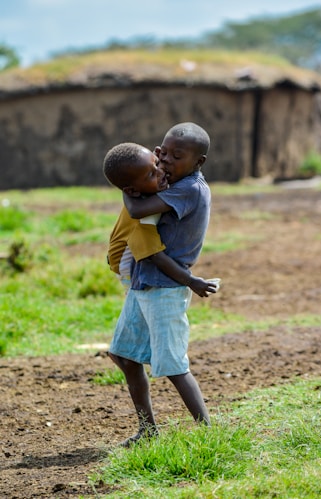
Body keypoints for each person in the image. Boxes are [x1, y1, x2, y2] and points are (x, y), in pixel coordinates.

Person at [104, 123, 216, 447]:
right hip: (144, 284)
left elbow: (141, 218)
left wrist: (130, 185)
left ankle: (210, 436)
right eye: (162, 154)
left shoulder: (188, 189)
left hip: (166, 287)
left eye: (175, 157)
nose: (165, 163)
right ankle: (148, 431)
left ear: (199, 162)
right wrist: (136, 177)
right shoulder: (169, 185)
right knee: (124, 356)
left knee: (173, 364)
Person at [104, 142, 219, 297]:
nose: (161, 172)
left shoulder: (145, 194)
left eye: (157, 163)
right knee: (144, 301)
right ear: (132, 191)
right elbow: (155, 256)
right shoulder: (143, 216)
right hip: (126, 268)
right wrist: (191, 281)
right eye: (151, 174)